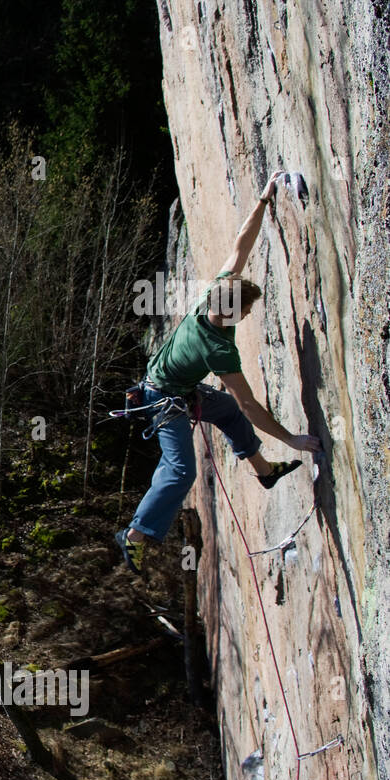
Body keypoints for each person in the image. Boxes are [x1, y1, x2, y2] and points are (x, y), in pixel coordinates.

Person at [116, 170, 322, 574]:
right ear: (233, 311)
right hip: (163, 400)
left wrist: (264, 198)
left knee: (223, 410)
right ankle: (135, 535)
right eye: (246, 311)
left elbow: (240, 245)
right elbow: (250, 406)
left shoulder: (216, 292)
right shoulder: (219, 348)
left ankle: (264, 472)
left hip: (173, 387)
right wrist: (291, 439)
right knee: (180, 472)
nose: (247, 315)